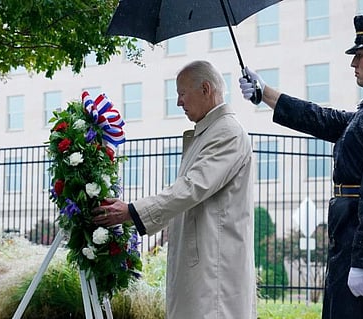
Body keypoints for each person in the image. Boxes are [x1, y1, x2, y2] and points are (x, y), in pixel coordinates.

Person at [239, 15, 363, 319]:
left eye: (359, 55)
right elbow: (323, 119)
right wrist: (266, 93)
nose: (353, 63)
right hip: (356, 234)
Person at [94, 60, 257, 319]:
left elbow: (191, 188)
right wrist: (133, 213)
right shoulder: (209, 132)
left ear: (205, 89)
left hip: (215, 269)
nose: (179, 102)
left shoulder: (227, 132)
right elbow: (185, 195)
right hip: (204, 261)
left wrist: (132, 211)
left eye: (182, 93)